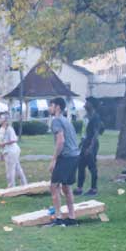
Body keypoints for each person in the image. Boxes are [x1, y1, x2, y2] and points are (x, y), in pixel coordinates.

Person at [46, 97, 80, 227]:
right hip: (74, 155)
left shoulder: (56, 121)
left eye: (51, 105)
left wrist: (54, 159)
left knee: (54, 186)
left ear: (57, 107)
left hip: (65, 157)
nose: (49, 108)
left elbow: (61, 141)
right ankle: (72, 218)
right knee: (66, 187)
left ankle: (59, 218)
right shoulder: (66, 120)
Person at [75, 98, 103, 197]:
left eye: (87, 103)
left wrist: (90, 148)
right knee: (81, 166)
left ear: (91, 105)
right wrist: (81, 143)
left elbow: (96, 134)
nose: (84, 105)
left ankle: (93, 189)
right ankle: (79, 188)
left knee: (92, 166)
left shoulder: (95, 117)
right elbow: (84, 132)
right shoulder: (86, 117)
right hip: (85, 143)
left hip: (92, 144)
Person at [0, 113, 27, 188]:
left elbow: (14, 140)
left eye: (1, 118)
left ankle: (11, 186)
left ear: (5, 120)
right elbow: (1, 142)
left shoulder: (9, 129)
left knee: (10, 169)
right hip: (7, 151)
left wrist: (4, 144)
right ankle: (24, 184)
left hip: (12, 151)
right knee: (16, 167)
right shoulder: (1, 129)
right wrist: (1, 153)